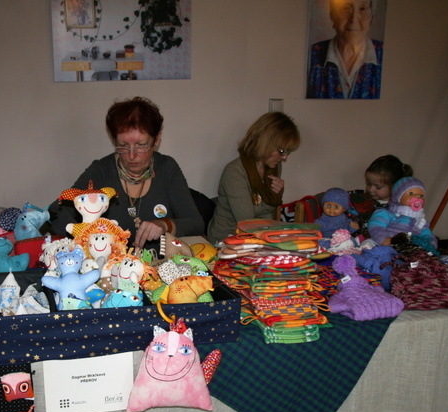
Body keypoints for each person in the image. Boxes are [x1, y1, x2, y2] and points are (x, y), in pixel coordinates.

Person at [48, 96, 204, 249]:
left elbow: (196, 223)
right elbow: (56, 210)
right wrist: (84, 239)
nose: (131, 155)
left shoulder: (167, 168)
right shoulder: (102, 171)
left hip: (161, 263)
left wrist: (165, 224)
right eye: (123, 145)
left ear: (156, 140)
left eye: (141, 145)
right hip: (111, 263)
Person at [207, 112, 300, 244]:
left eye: (287, 152)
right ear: (266, 143)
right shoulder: (235, 172)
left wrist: (277, 194)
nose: (285, 158)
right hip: (228, 238)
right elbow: (247, 221)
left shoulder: (273, 167)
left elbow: (267, 215)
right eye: (282, 151)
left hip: (259, 234)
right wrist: (273, 197)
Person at [307, 0, 383, 99]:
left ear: (371, 18)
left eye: (362, 8)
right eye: (346, 8)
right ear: (333, 16)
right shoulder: (311, 55)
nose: (354, 19)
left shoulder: (387, 54)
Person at [367, 176, 437, 250]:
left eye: (421, 195)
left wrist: (430, 246)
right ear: (398, 197)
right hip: (385, 246)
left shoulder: (421, 221)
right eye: (411, 193)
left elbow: (429, 236)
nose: (417, 197)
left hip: (407, 251)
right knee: (371, 247)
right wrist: (384, 240)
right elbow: (375, 227)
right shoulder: (387, 214)